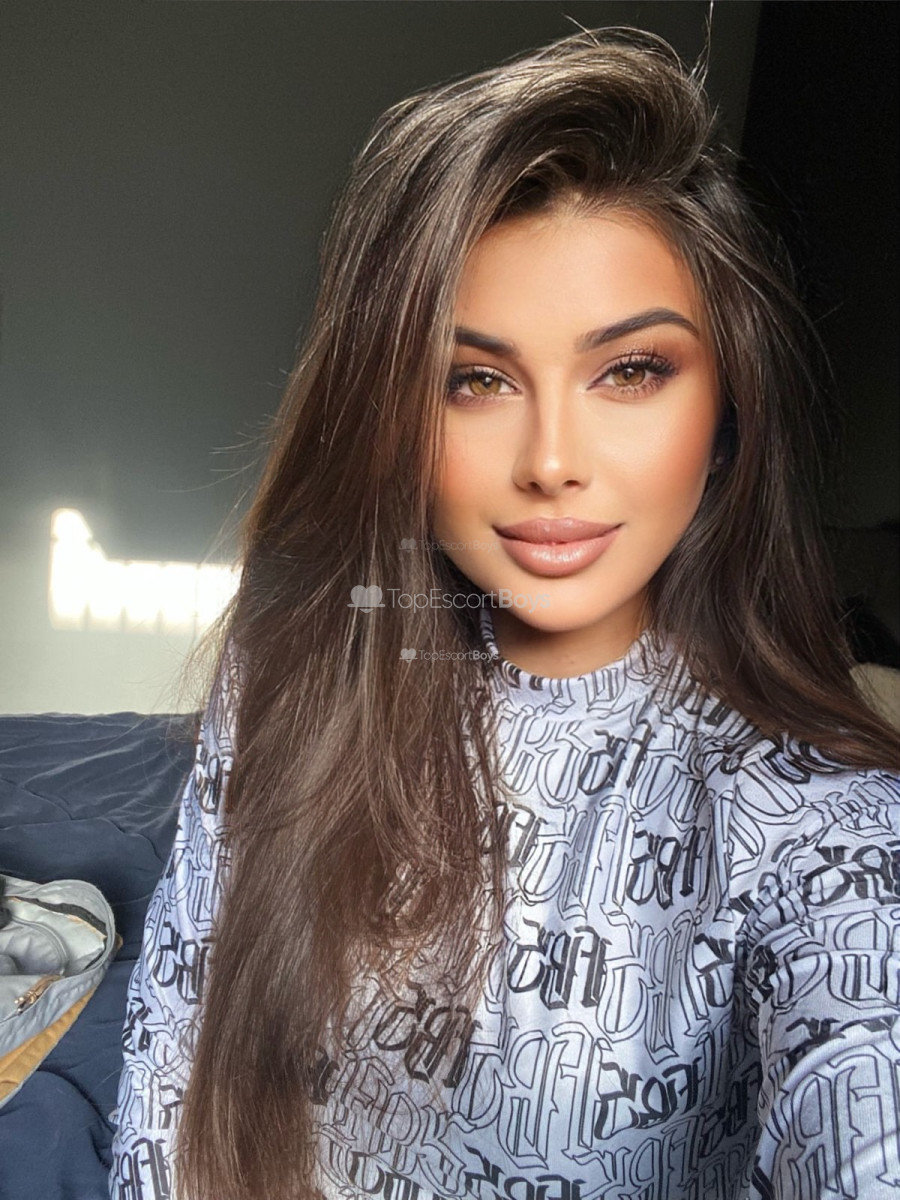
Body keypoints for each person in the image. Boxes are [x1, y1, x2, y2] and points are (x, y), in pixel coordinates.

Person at [109, 25, 900, 1200]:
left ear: (729, 405)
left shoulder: (815, 816)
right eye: (474, 380)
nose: (551, 461)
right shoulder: (297, 660)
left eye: (630, 371)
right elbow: (173, 1049)